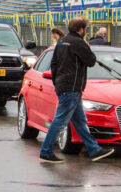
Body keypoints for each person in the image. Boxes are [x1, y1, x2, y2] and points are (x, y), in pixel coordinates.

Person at [39, 16, 114, 163]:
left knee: (79, 121)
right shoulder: (78, 42)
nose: (86, 31)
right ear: (81, 29)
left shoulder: (62, 42)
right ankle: (46, 151)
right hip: (72, 88)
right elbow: (91, 61)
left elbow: (54, 64)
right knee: (60, 120)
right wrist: (87, 46)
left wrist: (57, 83)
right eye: (85, 28)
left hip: (65, 87)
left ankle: (94, 150)